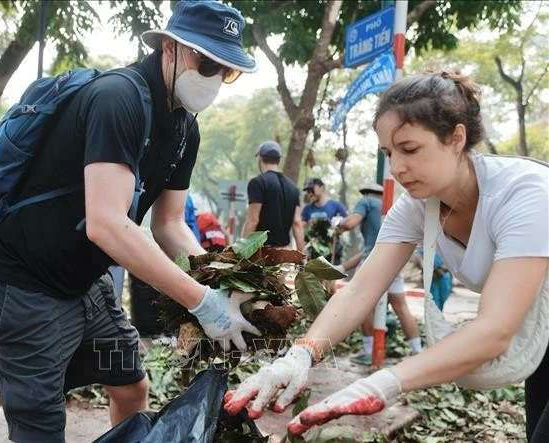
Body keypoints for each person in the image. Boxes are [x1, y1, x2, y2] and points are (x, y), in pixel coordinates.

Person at [0, 1, 261, 441]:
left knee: (130, 383)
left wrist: (220, 281)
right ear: (170, 47)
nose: (215, 78)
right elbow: (106, 223)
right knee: (41, 425)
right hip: (22, 289)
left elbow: (170, 225)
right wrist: (201, 302)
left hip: (86, 287)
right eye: (207, 62)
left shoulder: (186, 128)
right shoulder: (117, 98)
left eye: (227, 71)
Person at [224, 71, 549, 442]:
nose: (396, 168)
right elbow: (361, 290)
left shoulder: (524, 193)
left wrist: (386, 382)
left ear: (456, 138)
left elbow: (495, 331)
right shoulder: (416, 206)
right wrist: (300, 356)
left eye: (409, 150)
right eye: (388, 153)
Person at [337, 184, 422, 365]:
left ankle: (369, 352)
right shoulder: (392, 207)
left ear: (367, 193)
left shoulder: (365, 202)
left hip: (373, 265)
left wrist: (338, 225)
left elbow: (351, 223)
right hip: (394, 261)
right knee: (402, 308)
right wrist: (343, 267)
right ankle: (418, 352)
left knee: (365, 307)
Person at [241, 141, 304, 252]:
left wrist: (241, 252)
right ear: (279, 160)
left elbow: (252, 221)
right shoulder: (293, 187)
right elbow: (297, 222)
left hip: (262, 254)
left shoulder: (258, 183)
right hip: (284, 254)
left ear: (260, 158)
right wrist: (302, 256)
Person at [301, 178, 348, 264]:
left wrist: (334, 228)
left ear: (322, 188)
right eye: (307, 191)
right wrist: (309, 225)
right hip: (313, 253)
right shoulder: (307, 209)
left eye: (311, 189)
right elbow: (302, 228)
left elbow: (347, 225)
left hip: (333, 252)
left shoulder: (336, 206)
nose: (310, 193)